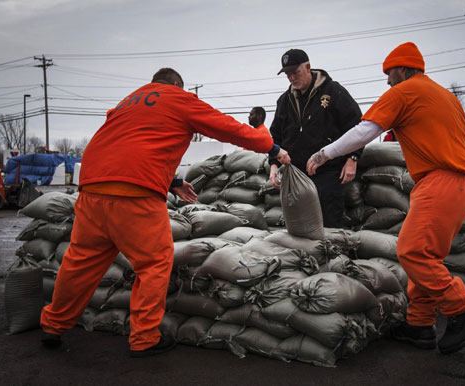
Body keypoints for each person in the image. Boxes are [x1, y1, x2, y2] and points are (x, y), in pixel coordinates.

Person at [39, 68, 290, 357]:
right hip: (135, 196)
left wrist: (173, 182)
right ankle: (145, 337)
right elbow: (226, 127)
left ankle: (53, 324)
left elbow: (132, 144)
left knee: (80, 263)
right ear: (176, 86)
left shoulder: (127, 102)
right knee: (154, 262)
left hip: (92, 190)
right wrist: (271, 147)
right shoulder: (178, 98)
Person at [306, 42, 465, 354]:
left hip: (441, 180)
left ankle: (463, 308)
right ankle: (419, 325)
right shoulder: (445, 95)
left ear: (403, 69)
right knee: (427, 256)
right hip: (461, 181)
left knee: (412, 252)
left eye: (390, 74)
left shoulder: (406, 91)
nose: (388, 81)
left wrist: (325, 153)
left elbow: (365, 130)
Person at [269, 48, 363, 228]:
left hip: (327, 172)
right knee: (297, 226)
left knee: (327, 224)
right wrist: (274, 165)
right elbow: (276, 136)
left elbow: (356, 127)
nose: (291, 78)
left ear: (308, 67)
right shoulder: (284, 101)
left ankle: (331, 255)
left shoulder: (333, 92)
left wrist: (353, 158)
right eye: (287, 74)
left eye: (295, 72)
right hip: (295, 173)